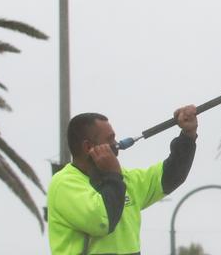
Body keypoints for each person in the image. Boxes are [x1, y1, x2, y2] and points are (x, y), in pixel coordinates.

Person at [46, 106, 198, 255]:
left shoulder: (123, 179)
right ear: (88, 147)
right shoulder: (64, 184)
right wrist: (113, 174)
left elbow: (170, 177)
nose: (116, 144)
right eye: (110, 139)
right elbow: (102, 221)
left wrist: (188, 135)